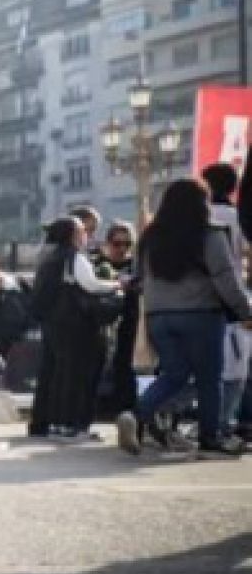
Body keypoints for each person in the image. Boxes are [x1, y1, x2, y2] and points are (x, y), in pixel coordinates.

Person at [115, 178, 252, 459]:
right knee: (208, 378)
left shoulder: (150, 237)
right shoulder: (208, 234)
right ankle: (209, 438)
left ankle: (135, 413)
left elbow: (140, 278)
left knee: (175, 373)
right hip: (200, 314)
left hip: (158, 317)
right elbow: (225, 277)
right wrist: (244, 311)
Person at [27, 216, 120, 443]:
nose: (86, 235)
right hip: (76, 325)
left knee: (58, 374)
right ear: (72, 235)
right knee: (79, 375)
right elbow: (92, 285)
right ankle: (74, 424)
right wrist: (118, 285)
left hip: (54, 324)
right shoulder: (74, 257)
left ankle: (56, 422)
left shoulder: (48, 258)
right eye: (81, 231)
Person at [201, 162, 250, 442]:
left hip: (199, 299)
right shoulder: (235, 217)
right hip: (232, 299)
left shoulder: (194, 217)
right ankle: (224, 425)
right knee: (237, 371)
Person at [92, 222, 141, 420]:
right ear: (108, 243)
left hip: (130, 321)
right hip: (103, 323)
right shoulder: (98, 265)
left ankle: (125, 409)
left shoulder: (136, 265)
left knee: (126, 366)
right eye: (117, 243)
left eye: (127, 244)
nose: (122, 249)